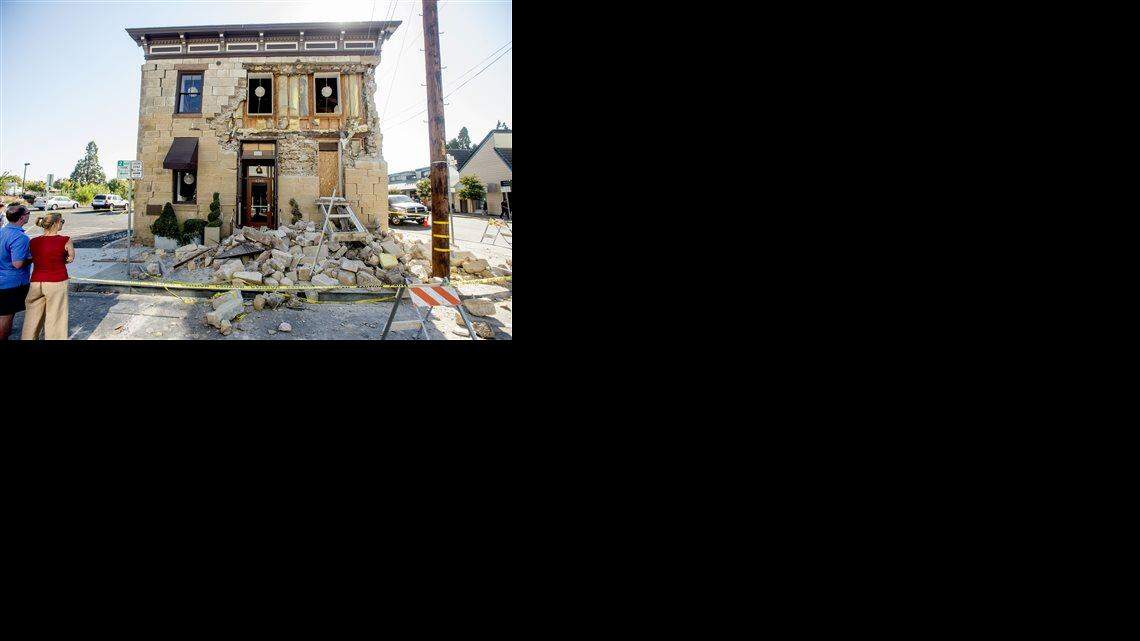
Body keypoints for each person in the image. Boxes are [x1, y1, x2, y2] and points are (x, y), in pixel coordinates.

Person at [21, 212, 74, 340]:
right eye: (62, 221)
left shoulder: (33, 241)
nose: (62, 223)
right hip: (57, 281)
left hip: (36, 282)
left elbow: (33, 257)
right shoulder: (65, 240)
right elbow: (70, 258)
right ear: (56, 223)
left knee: (31, 318)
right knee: (55, 318)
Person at [0, 204, 33, 340]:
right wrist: (32, 258)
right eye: (28, 212)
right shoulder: (20, 238)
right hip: (11, 283)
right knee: (6, 315)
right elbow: (18, 264)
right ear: (21, 217)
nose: (29, 214)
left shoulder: (2, 231)